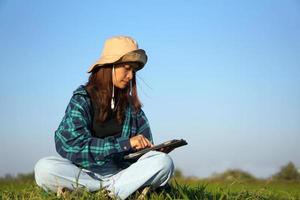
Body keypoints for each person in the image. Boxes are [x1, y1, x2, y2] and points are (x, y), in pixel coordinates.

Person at [34, 36, 174, 199]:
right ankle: (121, 191)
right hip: (84, 173)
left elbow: (142, 153)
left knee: (163, 162)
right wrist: (125, 144)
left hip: (122, 173)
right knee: (44, 168)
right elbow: (70, 144)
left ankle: (107, 193)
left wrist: (151, 151)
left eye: (133, 72)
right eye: (127, 68)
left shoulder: (134, 109)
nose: (130, 76)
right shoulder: (82, 99)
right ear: (109, 66)